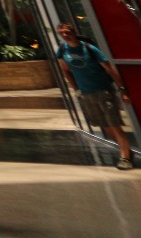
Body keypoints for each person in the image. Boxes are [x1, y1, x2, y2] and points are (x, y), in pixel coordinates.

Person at [55, 22, 133, 169]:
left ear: (74, 31)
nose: (65, 35)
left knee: (114, 124)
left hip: (103, 91)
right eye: (61, 33)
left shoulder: (89, 48)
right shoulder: (62, 51)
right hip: (86, 93)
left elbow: (109, 69)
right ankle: (126, 150)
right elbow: (66, 71)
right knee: (105, 126)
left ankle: (125, 158)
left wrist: (122, 90)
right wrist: (76, 89)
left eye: (67, 32)